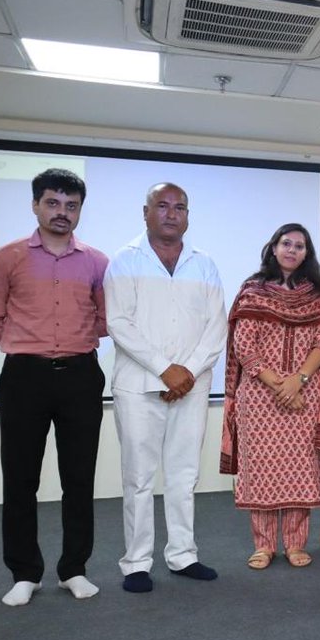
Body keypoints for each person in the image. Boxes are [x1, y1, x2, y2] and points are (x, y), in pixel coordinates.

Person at [0, 169, 109, 606]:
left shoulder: (96, 262)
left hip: (80, 376)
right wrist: (27, 346)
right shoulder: (7, 257)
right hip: (24, 377)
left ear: (79, 211)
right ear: (36, 205)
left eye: (71, 206)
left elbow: (108, 320)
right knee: (20, 478)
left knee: (79, 478)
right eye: (53, 203)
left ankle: (74, 568)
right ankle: (24, 572)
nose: (62, 213)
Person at [105, 182, 227, 593]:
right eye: (163, 205)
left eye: (180, 207)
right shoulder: (125, 260)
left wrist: (186, 372)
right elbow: (119, 323)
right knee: (138, 478)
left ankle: (182, 555)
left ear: (188, 216)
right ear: (146, 213)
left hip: (191, 387)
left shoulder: (204, 264)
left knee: (183, 474)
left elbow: (216, 326)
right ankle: (137, 562)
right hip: (139, 387)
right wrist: (164, 370)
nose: (172, 213)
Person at [220, 224, 320, 570]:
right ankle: (264, 545)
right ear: (273, 248)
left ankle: (297, 544)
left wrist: (298, 381)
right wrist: (278, 385)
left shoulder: (316, 295)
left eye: (299, 246)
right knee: (261, 471)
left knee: (301, 469)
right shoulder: (253, 291)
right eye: (286, 243)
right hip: (259, 397)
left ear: (307, 253)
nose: (292, 250)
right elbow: (244, 346)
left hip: (303, 395)